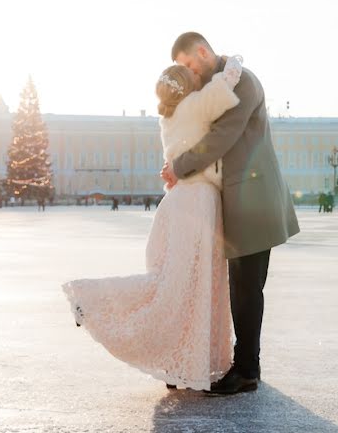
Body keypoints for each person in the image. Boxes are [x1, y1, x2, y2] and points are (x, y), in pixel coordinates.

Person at [64, 53, 246, 392]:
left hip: (177, 202)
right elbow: (228, 81)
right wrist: (230, 60)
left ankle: (174, 361)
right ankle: (91, 299)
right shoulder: (196, 107)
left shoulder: (170, 118)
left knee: (172, 283)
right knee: (189, 286)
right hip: (198, 203)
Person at [161, 32, 299, 394]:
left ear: (204, 52)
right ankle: (219, 362)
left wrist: (180, 166)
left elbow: (222, 135)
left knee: (246, 288)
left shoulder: (244, 82)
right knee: (235, 286)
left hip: (253, 200)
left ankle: (247, 370)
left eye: (191, 64)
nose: (190, 72)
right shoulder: (218, 84)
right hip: (237, 201)